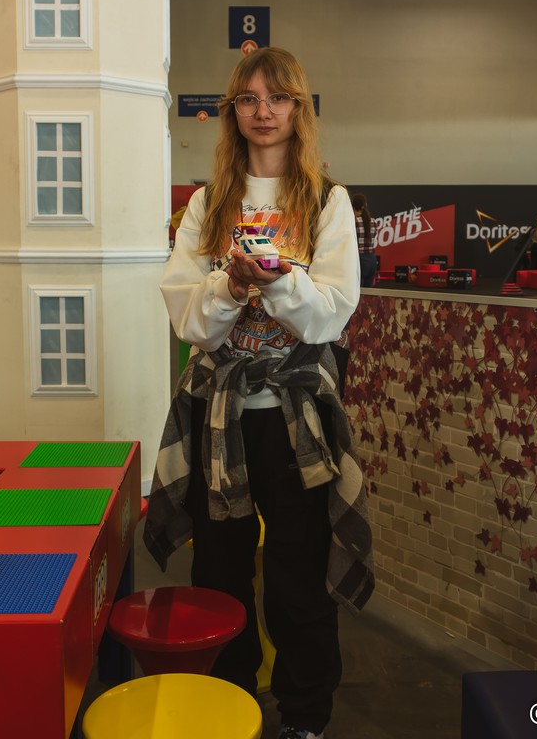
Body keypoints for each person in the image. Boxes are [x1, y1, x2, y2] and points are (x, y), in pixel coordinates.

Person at [143, 47, 374, 739]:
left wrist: (276, 280)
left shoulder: (327, 201)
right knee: (218, 575)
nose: (263, 111)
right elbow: (187, 319)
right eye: (249, 98)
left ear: (298, 109)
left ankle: (305, 718)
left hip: (295, 422)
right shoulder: (207, 204)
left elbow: (330, 316)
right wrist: (230, 283)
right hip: (218, 417)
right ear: (232, 112)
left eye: (278, 98)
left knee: (299, 577)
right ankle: (230, 704)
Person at [352, 192, 378, 287]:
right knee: (368, 293)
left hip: (360, 260)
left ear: (353, 206)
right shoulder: (373, 221)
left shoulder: (354, 221)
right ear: (365, 205)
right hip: (372, 260)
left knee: (358, 292)